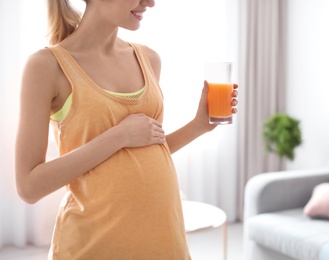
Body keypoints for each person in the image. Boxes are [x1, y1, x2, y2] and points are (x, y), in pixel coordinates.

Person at [15, 0, 238, 259]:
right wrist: (118, 136)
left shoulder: (149, 59)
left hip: (165, 243)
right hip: (93, 247)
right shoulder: (46, 66)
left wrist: (199, 126)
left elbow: (144, 148)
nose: (151, 3)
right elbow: (29, 187)